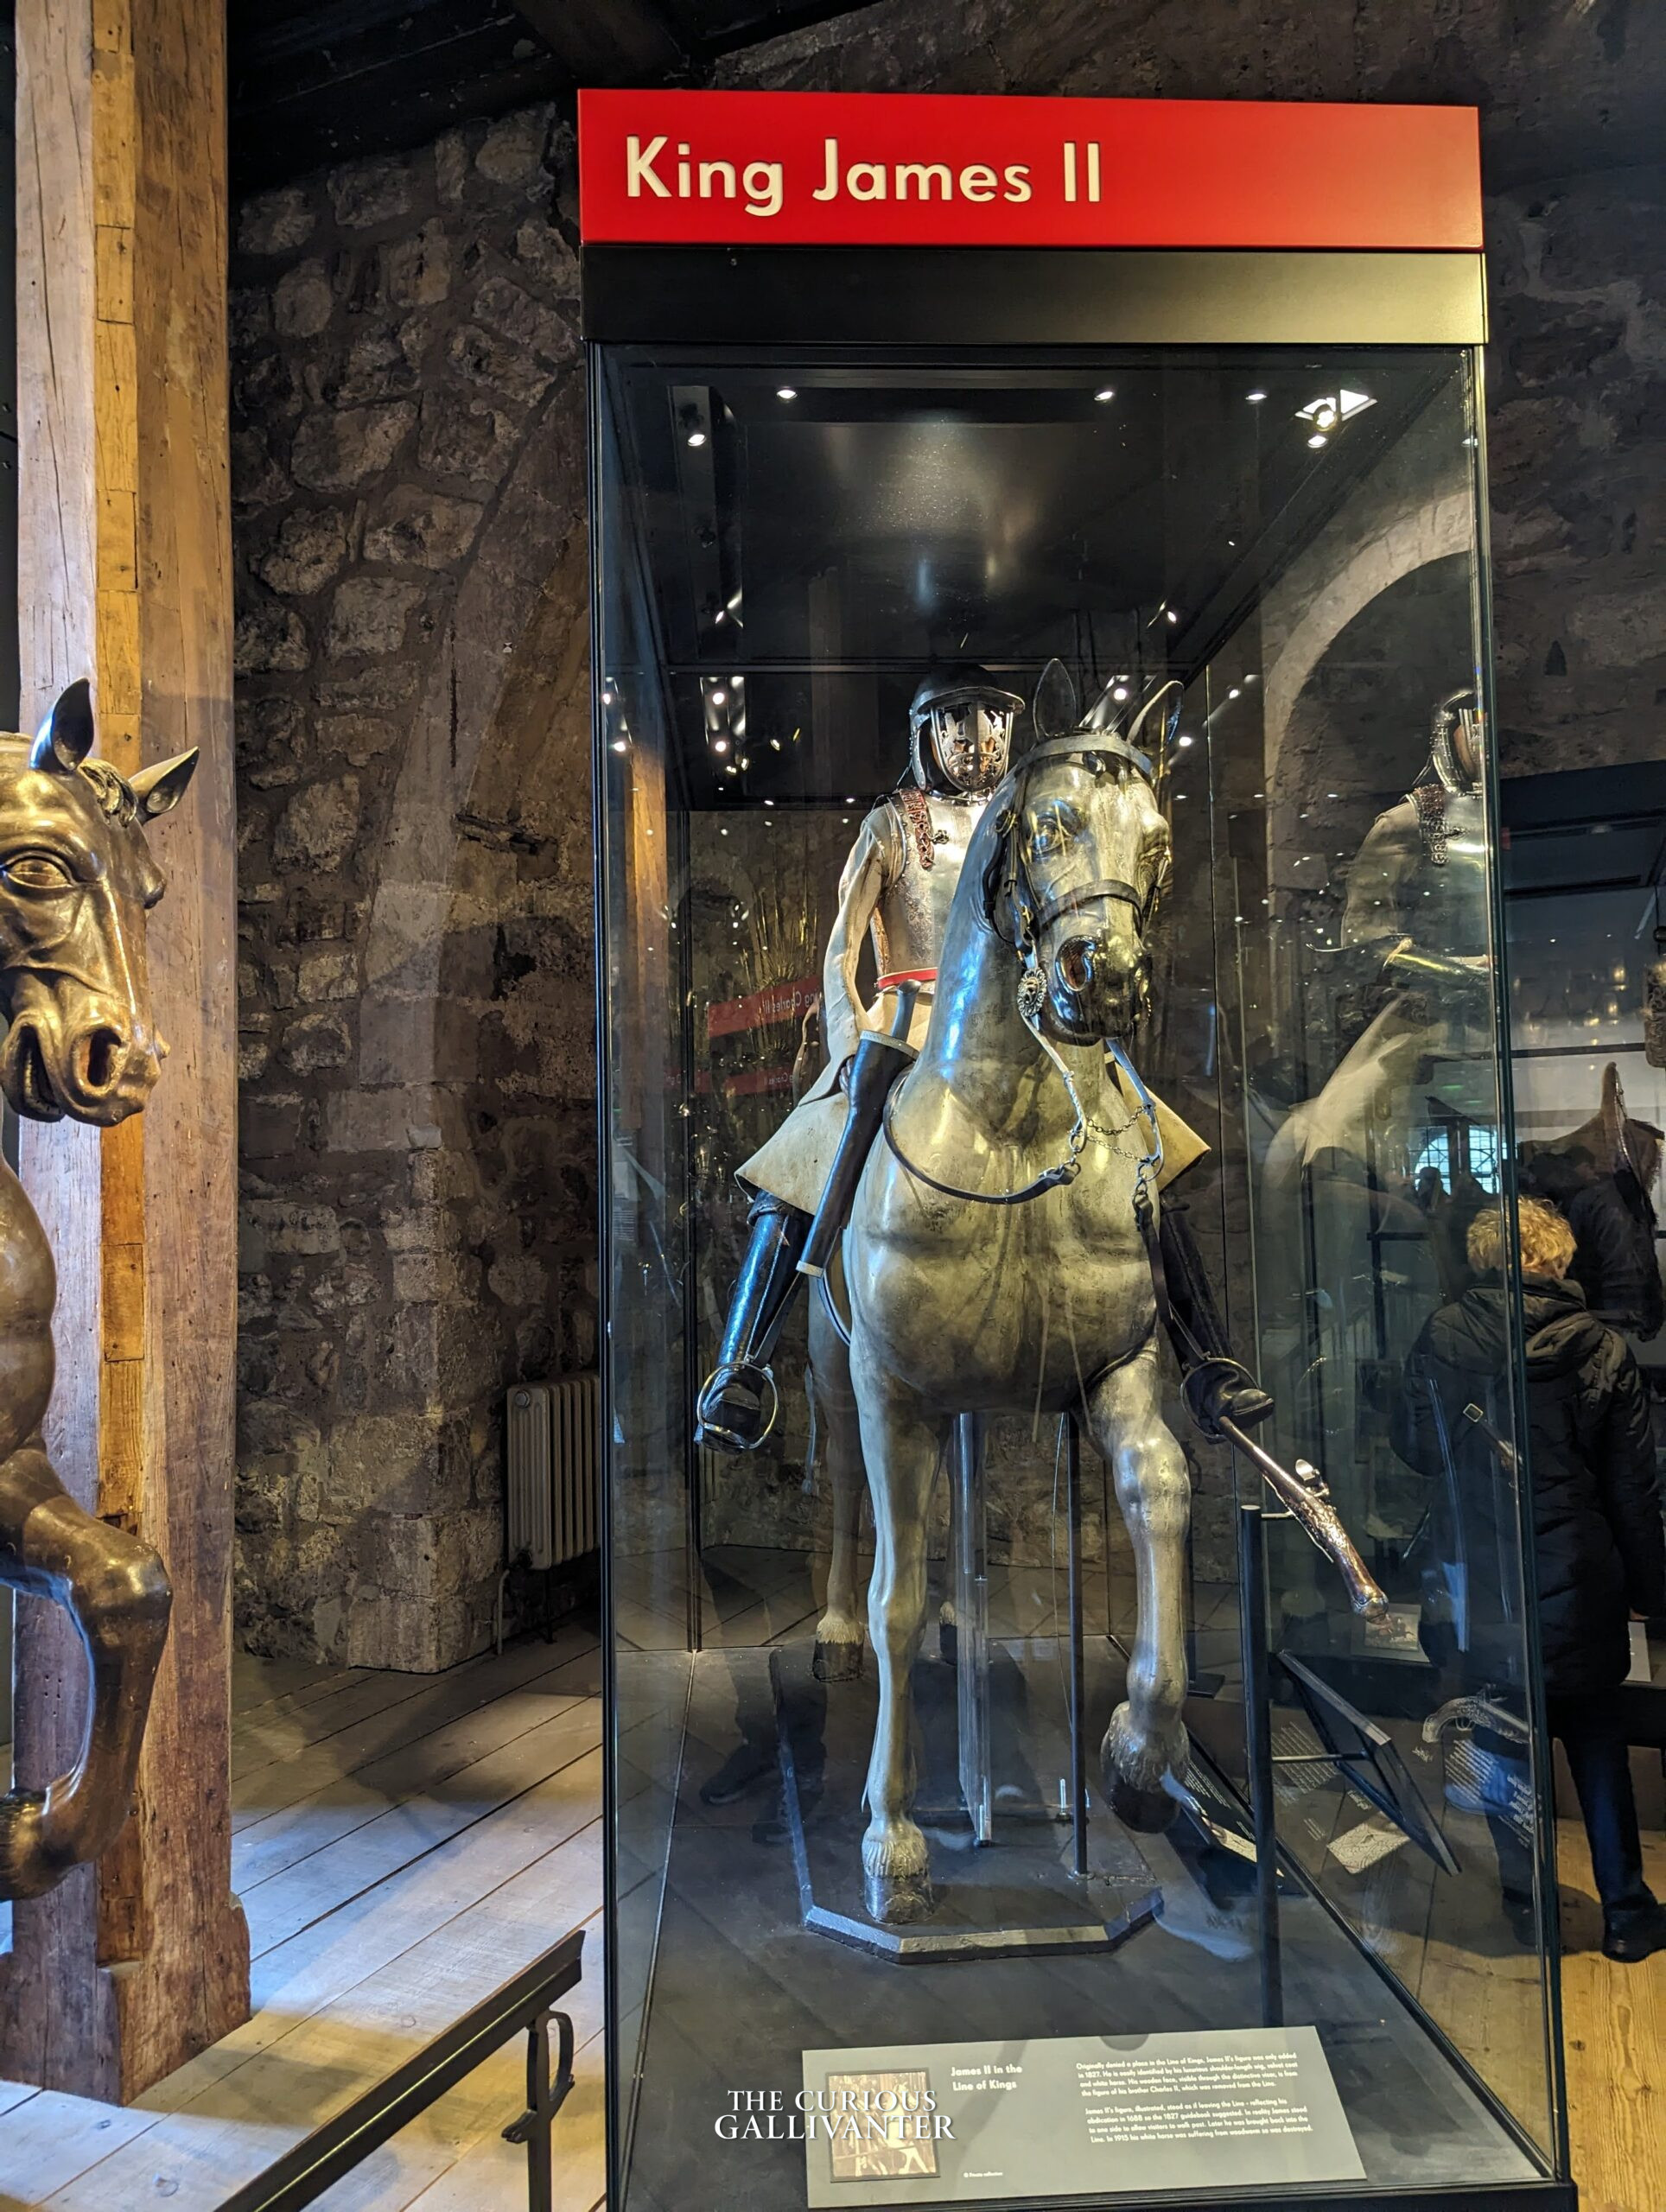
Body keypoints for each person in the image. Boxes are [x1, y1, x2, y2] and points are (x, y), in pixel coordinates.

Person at [1393, 1196, 1666, 1962]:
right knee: (1598, 1743)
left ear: (1488, 1258)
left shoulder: (1444, 1333)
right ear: (1554, 1258)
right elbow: (1632, 1489)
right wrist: (1651, 1593)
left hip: (1483, 1578)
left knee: (1504, 1744)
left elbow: (1416, 1449)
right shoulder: (1602, 1348)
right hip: (1579, 1576)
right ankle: (1627, 1913)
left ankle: (1529, 1907)